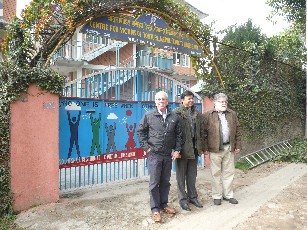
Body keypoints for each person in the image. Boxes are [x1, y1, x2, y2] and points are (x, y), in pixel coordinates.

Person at [137, 91, 182, 222]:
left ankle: (164, 204)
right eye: (159, 99)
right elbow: (140, 131)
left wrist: (177, 150)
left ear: (167, 101)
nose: (161, 101)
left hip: (168, 154)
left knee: (165, 182)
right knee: (154, 182)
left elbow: (179, 135)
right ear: (155, 101)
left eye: (163, 99)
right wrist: (147, 148)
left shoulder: (174, 116)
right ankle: (155, 209)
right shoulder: (149, 115)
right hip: (155, 154)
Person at [203, 93, 241, 205]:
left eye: (225, 102)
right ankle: (217, 196)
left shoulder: (232, 114)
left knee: (229, 172)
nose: (224, 104)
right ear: (215, 102)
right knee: (215, 173)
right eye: (221, 102)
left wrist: (237, 145)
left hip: (229, 147)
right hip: (215, 148)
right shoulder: (208, 115)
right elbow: (204, 133)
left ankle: (228, 195)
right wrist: (205, 148)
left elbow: (238, 130)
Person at [174, 90, 205, 211]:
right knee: (181, 176)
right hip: (182, 150)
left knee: (192, 175)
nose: (191, 100)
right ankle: (183, 200)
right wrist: (176, 149)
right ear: (182, 100)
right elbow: (174, 133)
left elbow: (201, 131)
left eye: (192, 98)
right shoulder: (176, 113)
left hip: (194, 149)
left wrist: (202, 147)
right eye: (188, 98)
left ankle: (193, 197)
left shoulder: (197, 113)